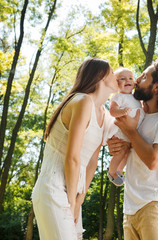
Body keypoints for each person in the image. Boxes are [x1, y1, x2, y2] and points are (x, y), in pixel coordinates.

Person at [31, 57, 118, 240]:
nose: (116, 75)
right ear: (100, 76)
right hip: (53, 188)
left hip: (73, 192)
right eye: (112, 72)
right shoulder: (82, 101)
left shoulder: (103, 113)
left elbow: (92, 162)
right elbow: (73, 157)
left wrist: (79, 201)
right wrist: (70, 202)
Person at [108, 60, 158, 240]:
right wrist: (116, 146)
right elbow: (129, 148)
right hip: (129, 209)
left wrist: (131, 131)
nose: (137, 80)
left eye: (144, 77)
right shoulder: (139, 118)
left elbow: (153, 160)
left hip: (155, 206)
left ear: (157, 87)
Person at [106, 67, 145, 186]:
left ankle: (119, 170)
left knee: (127, 153)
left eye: (130, 78)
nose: (127, 80)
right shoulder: (118, 97)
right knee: (121, 151)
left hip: (130, 132)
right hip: (120, 132)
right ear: (116, 84)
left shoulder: (136, 98)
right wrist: (121, 111)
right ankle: (112, 172)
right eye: (122, 79)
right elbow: (113, 111)